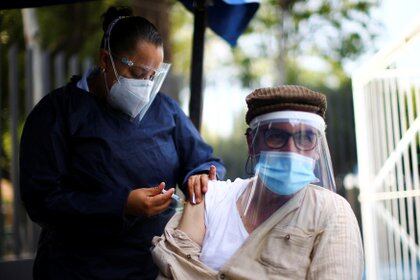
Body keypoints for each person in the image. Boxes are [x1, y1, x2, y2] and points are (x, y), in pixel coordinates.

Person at [19, 6, 225, 280]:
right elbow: (42, 200)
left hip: (152, 266)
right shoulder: (57, 112)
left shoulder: (164, 109)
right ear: (106, 60)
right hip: (77, 268)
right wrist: (121, 204)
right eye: (138, 74)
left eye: (153, 77)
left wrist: (200, 175)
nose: (146, 87)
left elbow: (205, 160)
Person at [152, 85, 364, 279]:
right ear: (251, 143)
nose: (291, 150)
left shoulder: (332, 212)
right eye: (276, 136)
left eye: (305, 138)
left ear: (318, 148)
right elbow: (171, 268)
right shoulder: (211, 198)